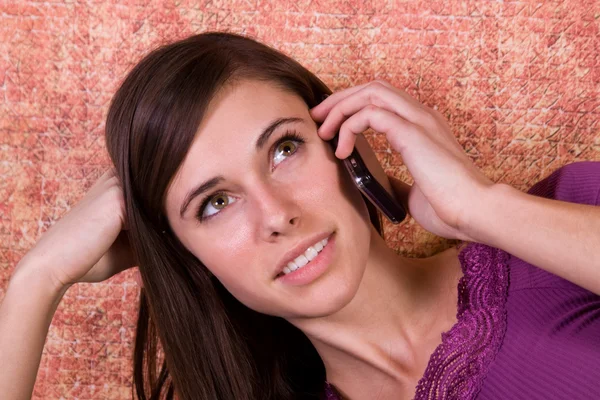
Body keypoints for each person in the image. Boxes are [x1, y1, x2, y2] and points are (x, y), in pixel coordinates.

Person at [1, 31, 599, 400]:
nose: (276, 215)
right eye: (214, 204)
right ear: (191, 259)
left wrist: (481, 208)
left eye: (284, 149)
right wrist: (37, 280)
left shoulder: (561, 217)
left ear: (348, 138)